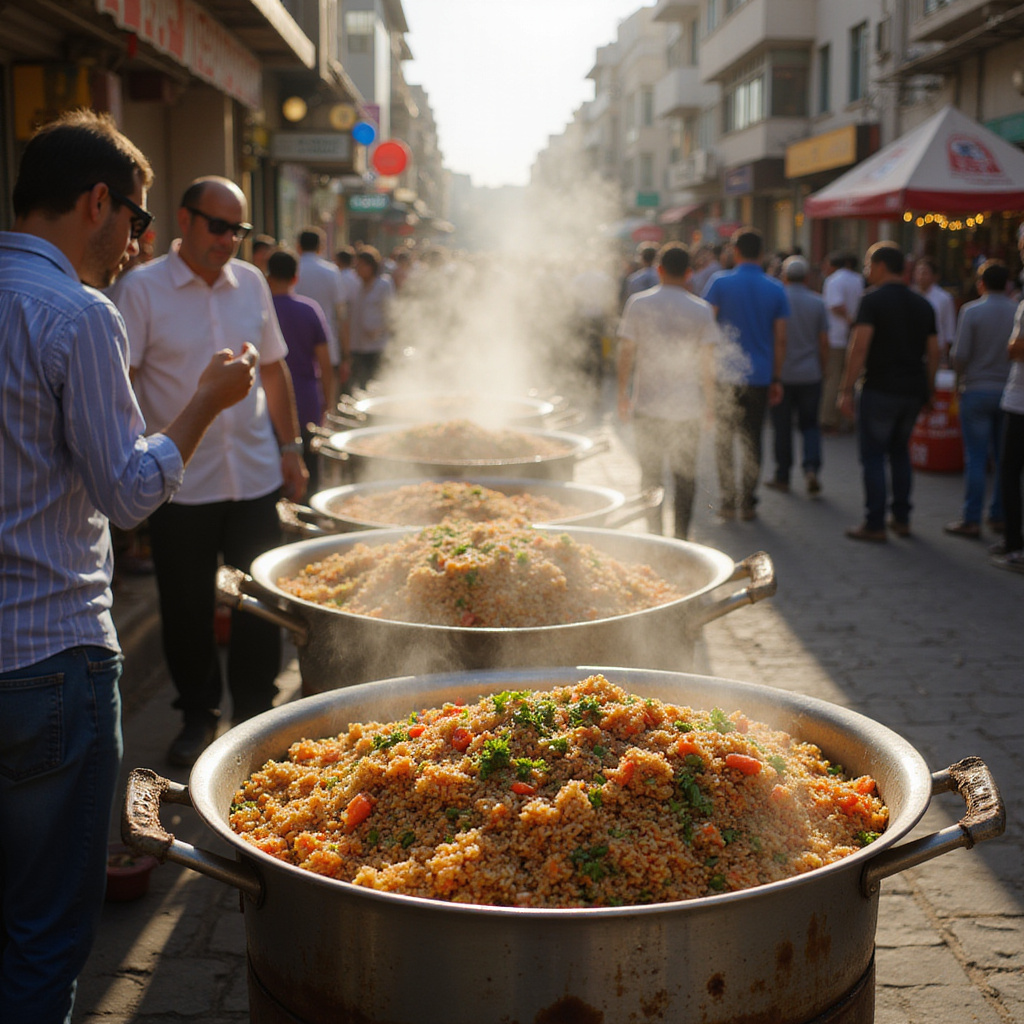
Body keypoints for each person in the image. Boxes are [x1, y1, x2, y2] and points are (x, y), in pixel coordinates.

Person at [0, 110, 255, 1024]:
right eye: (136, 219)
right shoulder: (78, 313)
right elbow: (127, 494)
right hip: (49, 658)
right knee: (43, 930)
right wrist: (204, 404)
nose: (135, 242)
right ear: (98, 203)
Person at [115, 175, 308, 766]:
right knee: (186, 607)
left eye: (238, 229)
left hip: (253, 474)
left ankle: (254, 715)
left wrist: (290, 447)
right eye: (218, 226)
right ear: (185, 219)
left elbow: (273, 369)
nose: (228, 240)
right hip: (180, 483)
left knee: (258, 600)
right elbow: (122, 384)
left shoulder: (251, 282)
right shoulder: (141, 290)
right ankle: (197, 716)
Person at [616, 242, 719, 538]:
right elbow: (708, 364)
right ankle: (681, 537)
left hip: (647, 405)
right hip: (687, 409)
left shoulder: (638, 303)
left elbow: (626, 352)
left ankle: (654, 535)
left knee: (650, 475)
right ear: (689, 273)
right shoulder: (700, 309)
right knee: (685, 477)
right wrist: (710, 405)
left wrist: (622, 394)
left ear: (659, 270)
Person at [840, 242, 939, 542]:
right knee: (900, 453)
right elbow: (934, 352)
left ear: (881, 266)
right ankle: (902, 518)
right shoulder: (923, 304)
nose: (866, 271)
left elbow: (859, 347)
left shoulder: (872, 300)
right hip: (912, 390)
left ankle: (875, 523)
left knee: (873, 456)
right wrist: (929, 390)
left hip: (879, 389)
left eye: (869, 264)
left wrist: (846, 389)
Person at [704, 227, 788, 520]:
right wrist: (777, 377)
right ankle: (748, 502)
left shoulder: (719, 282)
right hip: (760, 375)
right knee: (753, 439)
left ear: (735, 251)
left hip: (725, 374)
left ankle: (727, 500)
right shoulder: (776, 288)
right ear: (762, 254)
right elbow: (781, 339)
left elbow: (706, 328)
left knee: (724, 439)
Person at [944, 259, 1015, 539]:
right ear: (1007, 284)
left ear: (980, 283)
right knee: (1003, 460)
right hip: (1008, 392)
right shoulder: (1017, 310)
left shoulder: (971, 311)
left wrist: (959, 379)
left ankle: (971, 519)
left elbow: (960, 355)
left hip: (976, 390)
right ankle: (998, 514)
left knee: (975, 458)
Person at [267, 248, 334, 494]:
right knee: (309, 473)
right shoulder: (309, 309)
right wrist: (328, 402)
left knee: (273, 477)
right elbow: (325, 363)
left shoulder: (262, 311)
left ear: (268, 277)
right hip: (306, 402)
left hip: (269, 407)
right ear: (296, 277)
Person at [766, 256, 829, 495]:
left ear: (784, 276)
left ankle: (782, 475)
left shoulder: (776, 300)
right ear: (807, 277)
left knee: (782, 427)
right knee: (810, 424)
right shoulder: (817, 302)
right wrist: (823, 368)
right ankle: (811, 468)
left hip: (781, 374)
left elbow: (774, 338)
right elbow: (824, 342)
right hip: (810, 373)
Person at [991, 225, 1024, 573]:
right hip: (1015, 397)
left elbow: (1016, 348)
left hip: (1020, 401)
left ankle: (1016, 545)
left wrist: (1013, 346)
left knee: (1011, 472)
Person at [296, 226, 350, 401]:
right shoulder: (331, 271)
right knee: (327, 391)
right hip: (327, 339)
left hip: (295, 339)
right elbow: (341, 312)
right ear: (321, 247)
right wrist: (345, 351)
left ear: (298, 246)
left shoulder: (294, 269)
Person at [820, 251, 864, 434]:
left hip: (836, 336)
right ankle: (850, 419)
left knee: (834, 378)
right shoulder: (859, 279)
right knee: (852, 377)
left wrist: (848, 319)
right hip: (854, 336)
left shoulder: (834, 280)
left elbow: (835, 305)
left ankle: (830, 419)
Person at [348, 245, 395, 392]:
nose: (358, 269)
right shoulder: (355, 285)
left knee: (376, 383)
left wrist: (380, 330)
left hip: (377, 345)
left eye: (362, 265)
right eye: (357, 265)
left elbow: (390, 313)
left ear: (371, 266)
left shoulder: (383, 285)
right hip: (357, 344)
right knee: (360, 385)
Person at [913, 257, 957, 365]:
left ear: (934, 276)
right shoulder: (911, 296)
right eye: (918, 272)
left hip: (938, 349)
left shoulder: (944, 298)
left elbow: (949, 327)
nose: (921, 276)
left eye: (925, 273)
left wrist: (945, 353)